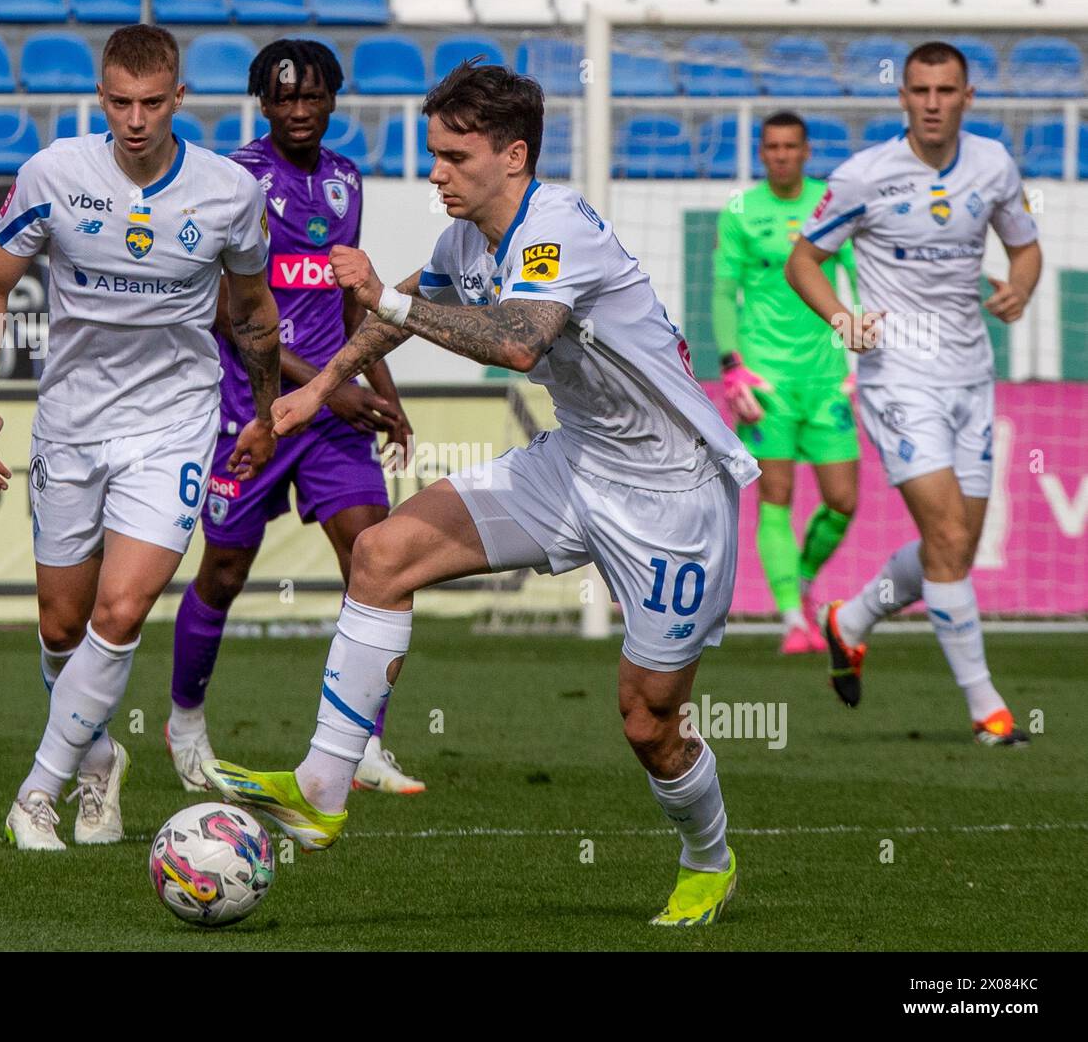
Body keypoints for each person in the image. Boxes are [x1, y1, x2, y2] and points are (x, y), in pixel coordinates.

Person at [201, 61, 762, 926]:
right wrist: (317, 391)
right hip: (576, 463)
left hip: (671, 493)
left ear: (514, 154)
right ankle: (321, 787)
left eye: (454, 157)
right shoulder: (468, 235)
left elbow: (518, 342)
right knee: (382, 554)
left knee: (650, 722)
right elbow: (404, 308)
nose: (435, 174)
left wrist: (378, 292)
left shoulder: (558, 227)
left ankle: (708, 857)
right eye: (432, 154)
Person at [0, 24, 281, 850]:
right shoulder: (53, 174)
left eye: (151, 102)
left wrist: (264, 409)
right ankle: (99, 758)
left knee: (124, 606)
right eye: (119, 102)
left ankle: (37, 792)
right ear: (100, 99)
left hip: (173, 424)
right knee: (62, 625)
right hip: (71, 422)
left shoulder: (228, 193)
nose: (135, 119)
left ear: (179, 98)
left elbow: (252, 313)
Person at [166, 39, 424, 796]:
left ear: (333, 101)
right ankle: (185, 724)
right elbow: (224, 307)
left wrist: (384, 387)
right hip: (251, 407)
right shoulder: (236, 180)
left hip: (335, 414)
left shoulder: (346, 180)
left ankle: (361, 744)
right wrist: (322, 388)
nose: (299, 111)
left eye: (312, 97)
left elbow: (349, 297)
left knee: (377, 558)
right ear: (262, 103)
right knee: (223, 570)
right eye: (283, 99)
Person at [786, 41, 1040, 746]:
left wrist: (1022, 284)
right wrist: (843, 318)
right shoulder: (865, 176)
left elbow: (1025, 246)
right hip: (898, 376)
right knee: (951, 536)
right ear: (901, 96)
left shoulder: (993, 165)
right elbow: (803, 260)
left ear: (968, 97)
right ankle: (989, 710)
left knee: (950, 547)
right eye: (920, 90)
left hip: (971, 377)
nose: (932, 102)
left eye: (946, 90)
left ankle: (851, 619)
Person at [713, 111, 860, 655]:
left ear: (805, 151)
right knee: (776, 497)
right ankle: (795, 618)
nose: (779, 154)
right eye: (770, 146)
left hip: (827, 380)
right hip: (765, 381)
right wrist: (732, 366)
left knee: (843, 500)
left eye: (789, 146)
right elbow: (724, 292)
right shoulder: (740, 211)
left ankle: (800, 578)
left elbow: (858, 277)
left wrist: (857, 361)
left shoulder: (832, 202)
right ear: (762, 151)